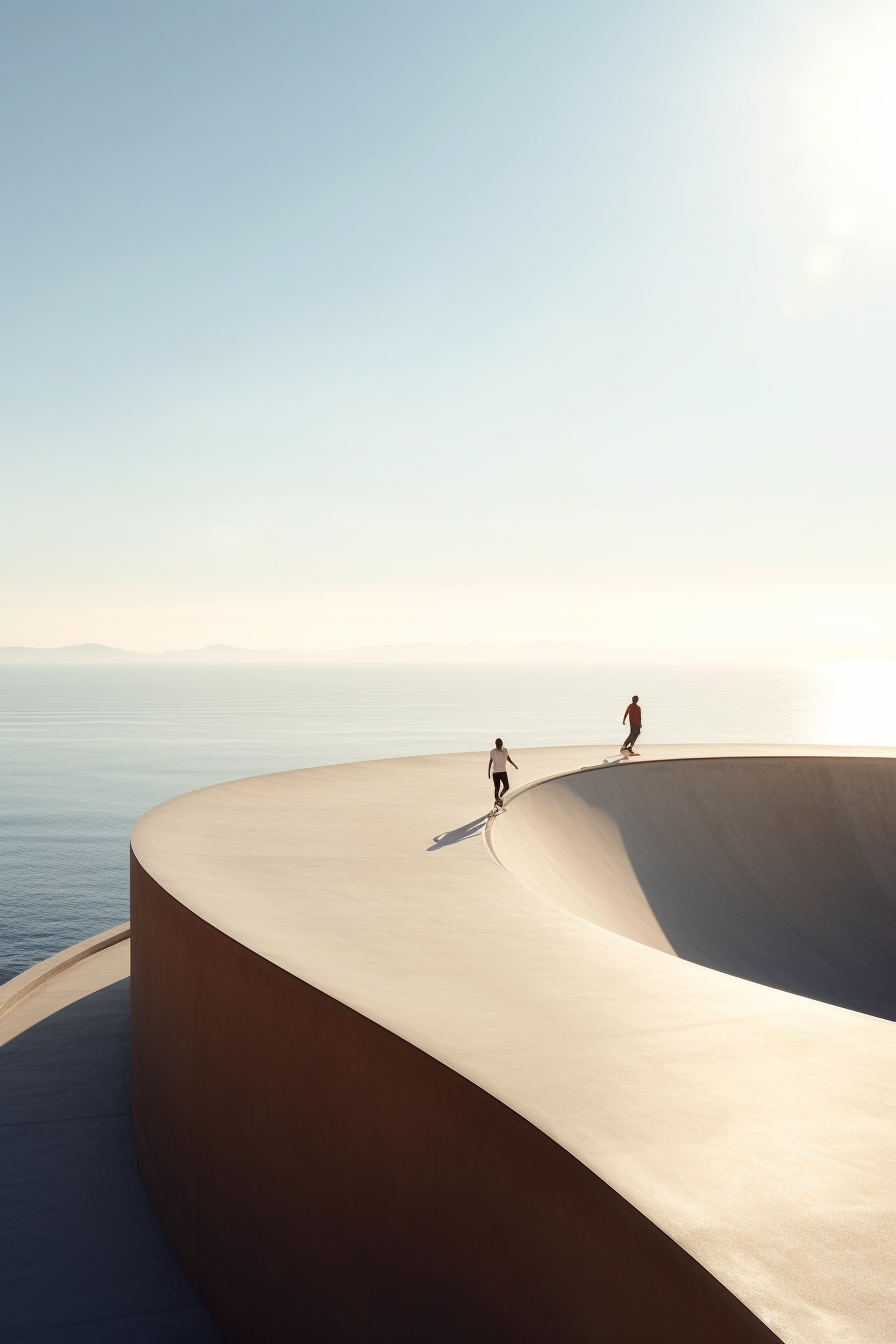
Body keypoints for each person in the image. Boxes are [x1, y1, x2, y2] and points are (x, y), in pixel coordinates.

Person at [488, 737, 518, 807]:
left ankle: (500, 797)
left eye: (500, 743)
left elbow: (508, 758)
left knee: (506, 787)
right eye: (497, 744)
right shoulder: (492, 751)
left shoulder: (505, 750)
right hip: (495, 773)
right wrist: (488, 772)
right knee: (497, 788)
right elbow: (490, 761)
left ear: (502, 743)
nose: (498, 745)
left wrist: (514, 765)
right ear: (495, 744)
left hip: (503, 772)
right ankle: (497, 801)